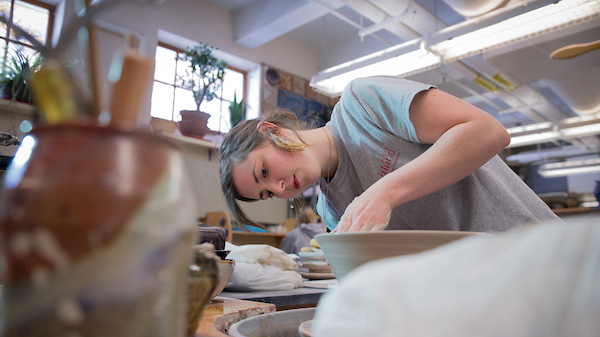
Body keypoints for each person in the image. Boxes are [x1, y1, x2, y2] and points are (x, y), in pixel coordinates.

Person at [219, 76, 559, 233]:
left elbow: (489, 132)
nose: (279, 190)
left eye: (263, 172)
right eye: (266, 194)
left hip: (539, 250)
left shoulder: (362, 105)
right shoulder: (333, 210)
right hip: (491, 299)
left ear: (272, 131)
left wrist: (385, 192)